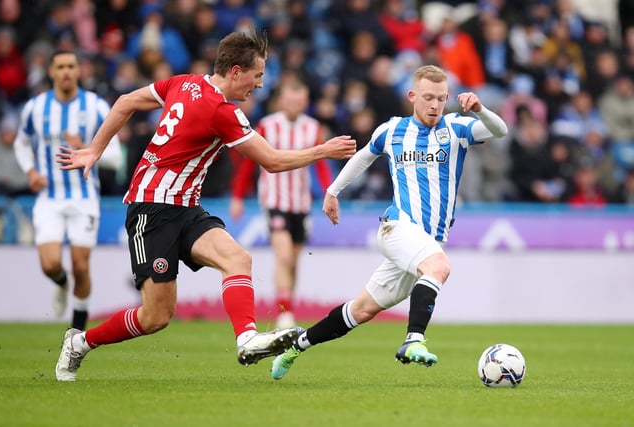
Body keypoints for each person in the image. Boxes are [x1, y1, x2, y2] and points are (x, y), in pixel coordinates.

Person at [54, 30, 356, 382]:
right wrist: (323, 150)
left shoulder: (185, 83)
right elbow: (271, 161)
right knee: (156, 316)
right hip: (152, 210)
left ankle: (246, 339)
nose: (259, 85)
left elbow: (125, 101)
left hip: (186, 207)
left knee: (237, 258)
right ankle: (79, 343)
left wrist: (94, 149)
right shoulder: (220, 111)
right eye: (257, 76)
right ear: (236, 71)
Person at [270, 64, 508, 380]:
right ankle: (413, 340)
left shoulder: (456, 129)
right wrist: (332, 191)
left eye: (440, 98)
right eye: (427, 98)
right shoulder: (392, 130)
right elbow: (364, 157)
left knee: (363, 309)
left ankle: (295, 347)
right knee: (439, 268)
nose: (435, 105)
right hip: (397, 228)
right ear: (412, 96)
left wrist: (480, 109)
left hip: (427, 241)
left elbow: (500, 130)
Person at [13, 50, 122, 331]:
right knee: (50, 265)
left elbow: (117, 157)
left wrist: (87, 147)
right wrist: (31, 172)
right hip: (48, 198)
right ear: (51, 71)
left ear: (78, 71)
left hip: (84, 199)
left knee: (81, 266)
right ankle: (61, 284)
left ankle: (75, 334)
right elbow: (20, 143)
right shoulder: (35, 108)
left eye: (71, 66)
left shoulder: (96, 106)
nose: (65, 72)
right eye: (60, 66)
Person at [229, 79, 333, 329]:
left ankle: (288, 310)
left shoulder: (313, 128)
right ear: (281, 100)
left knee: (294, 261)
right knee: (284, 256)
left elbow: (320, 164)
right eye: (290, 99)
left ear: (305, 102)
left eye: (300, 100)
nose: (295, 104)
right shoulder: (268, 125)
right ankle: (283, 313)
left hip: (301, 203)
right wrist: (238, 196)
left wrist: (331, 192)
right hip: (275, 200)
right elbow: (249, 163)